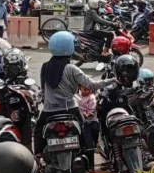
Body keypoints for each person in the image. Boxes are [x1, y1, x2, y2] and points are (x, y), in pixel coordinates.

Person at [34, 31, 107, 159]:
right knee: (85, 131)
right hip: (71, 110)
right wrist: (113, 80)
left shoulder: (45, 67)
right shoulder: (71, 68)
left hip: (49, 111)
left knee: (38, 130)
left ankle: (38, 157)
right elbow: (93, 85)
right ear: (69, 47)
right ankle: (90, 164)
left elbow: (43, 90)